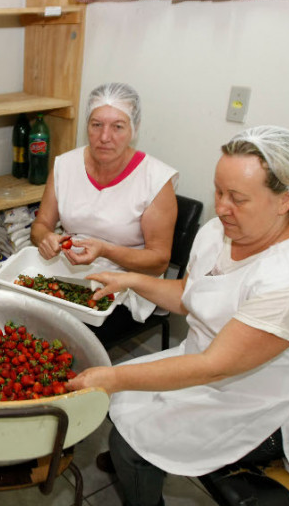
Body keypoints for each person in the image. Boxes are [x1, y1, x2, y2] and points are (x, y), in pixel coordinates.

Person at [66, 126, 289, 506]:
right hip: (208, 363)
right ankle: (138, 460)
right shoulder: (224, 233)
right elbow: (190, 296)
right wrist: (128, 280)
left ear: (285, 200)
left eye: (238, 198)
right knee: (122, 404)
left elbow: (213, 367)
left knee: (123, 412)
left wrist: (111, 379)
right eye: (219, 192)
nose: (222, 208)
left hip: (263, 403)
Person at [30, 82, 179, 327]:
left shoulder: (155, 180)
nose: (104, 137)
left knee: (55, 328)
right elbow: (40, 225)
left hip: (127, 283)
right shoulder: (65, 166)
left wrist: (105, 250)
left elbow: (159, 261)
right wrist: (46, 238)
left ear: (134, 129)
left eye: (117, 127)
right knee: (21, 310)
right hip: (70, 270)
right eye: (96, 125)